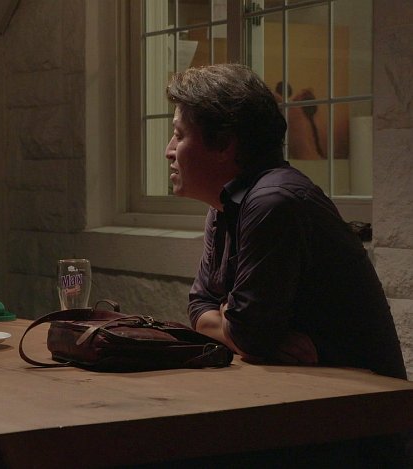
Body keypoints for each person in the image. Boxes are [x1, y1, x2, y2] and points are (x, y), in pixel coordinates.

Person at [165, 63, 409, 465]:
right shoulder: (227, 204)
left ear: (224, 143)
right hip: (305, 413)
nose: (169, 150)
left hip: (356, 433)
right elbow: (199, 307)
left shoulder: (272, 201)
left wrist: (245, 331)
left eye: (179, 134)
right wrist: (245, 329)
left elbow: (247, 335)